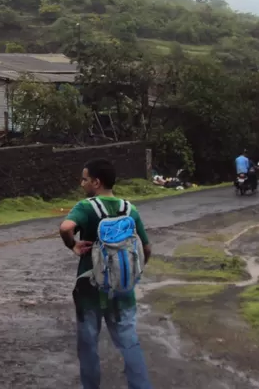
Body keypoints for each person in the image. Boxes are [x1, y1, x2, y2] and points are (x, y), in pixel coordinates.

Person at [59, 159, 153, 389]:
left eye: (84, 179)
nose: (82, 183)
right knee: (129, 343)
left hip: (90, 288)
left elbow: (65, 228)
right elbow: (146, 248)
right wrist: (130, 273)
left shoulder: (86, 206)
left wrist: (73, 245)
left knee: (89, 344)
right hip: (122, 288)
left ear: (96, 182)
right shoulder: (130, 209)